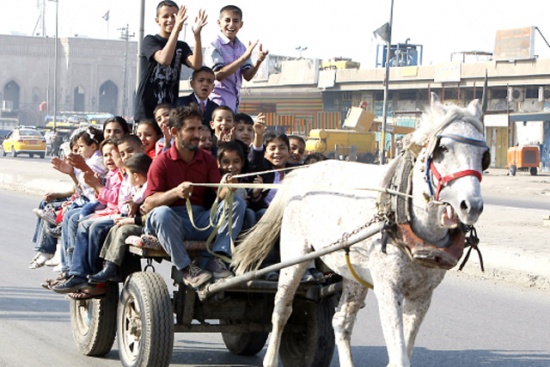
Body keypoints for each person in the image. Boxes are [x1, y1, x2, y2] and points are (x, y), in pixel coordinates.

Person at [141, 105, 246, 288]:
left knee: (236, 202)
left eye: (198, 128)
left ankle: (219, 258)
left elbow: (218, 193)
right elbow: (149, 203)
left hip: (200, 218)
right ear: (175, 132)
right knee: (161, 214)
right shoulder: (161, 162)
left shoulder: (207, 159)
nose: (197, 134)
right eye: (190, 129)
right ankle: (186, 268)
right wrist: (175, 192)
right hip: (172, 221)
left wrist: (227, 187)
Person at [134, 1, 208, 122]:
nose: (171, 20)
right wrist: (176, 30)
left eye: (174, 16)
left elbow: (196, 64)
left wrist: (197, 36)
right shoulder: (150, 41)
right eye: (165, 16)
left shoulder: (181, 46)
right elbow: (164, 59)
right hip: (147, 111)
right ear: (157, 20)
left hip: (170, 110)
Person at [88, 153, 153, 284]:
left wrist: (129, 220)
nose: (128, 179)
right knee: (116, 228)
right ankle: (108, 265)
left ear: (136, 176)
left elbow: (146, 212)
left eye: (128, 175)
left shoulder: (148, 189)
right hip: (142, 222)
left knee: (124, 230)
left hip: (150, 225)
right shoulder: (141, 186)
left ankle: (111, 266)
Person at [205, 5, 268, 112]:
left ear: (241, 24)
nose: (231, 25)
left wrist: (258, 62)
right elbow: (218, 75)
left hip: (235, 101)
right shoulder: (215, 45)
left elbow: (247, 76)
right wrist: (243, 58)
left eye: (235, 21)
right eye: (227, 20)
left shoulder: (242, 47)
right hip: (218, 100)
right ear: (219, 23)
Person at [217, 141, 256, 231]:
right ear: (218, 163)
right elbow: (213, 202)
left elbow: (252, 201)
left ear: (242, 163)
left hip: (243, 220)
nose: (231, 166)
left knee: (250, 213)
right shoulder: (216, 180)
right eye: (226, 162)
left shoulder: (245, 180)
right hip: (222, 220)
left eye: (236, 162)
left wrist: (254, 197)